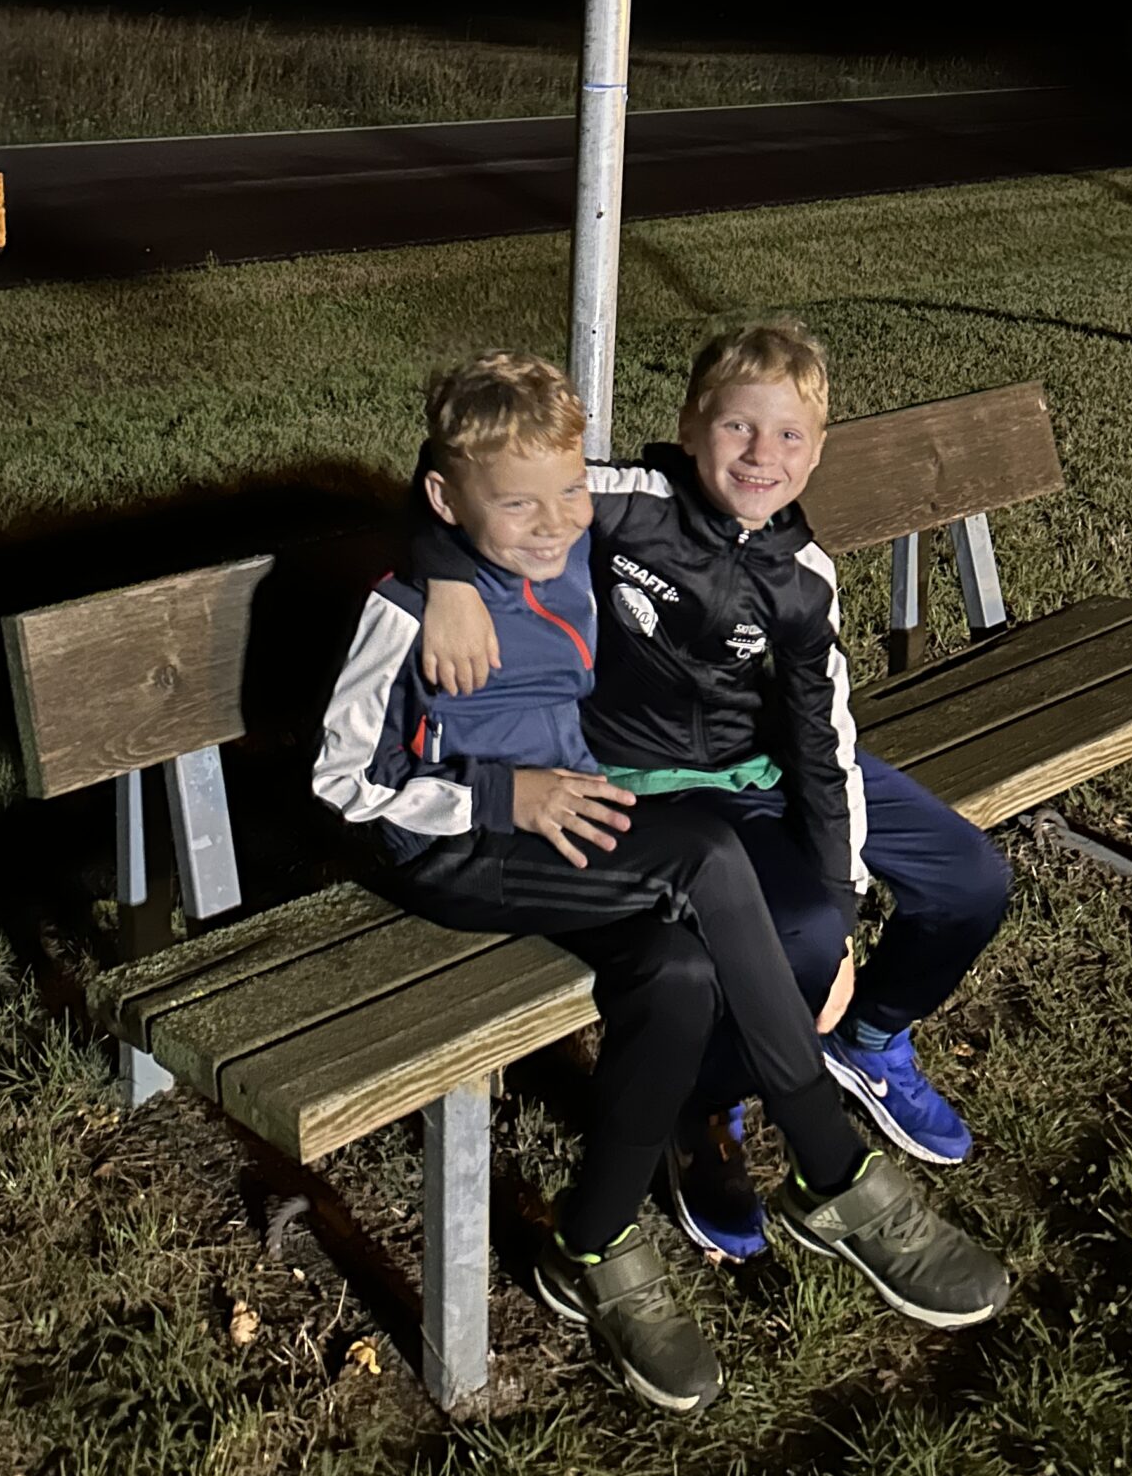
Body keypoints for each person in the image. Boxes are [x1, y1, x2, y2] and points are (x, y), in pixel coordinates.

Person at [315, 350, 1008, 1415]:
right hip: (454, 845)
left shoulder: (569, 556)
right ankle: (831, 1168)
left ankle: (589, 1248)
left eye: (568, 497)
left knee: (678, 975)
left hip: (568, 822)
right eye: (521, 505)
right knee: (705, 856)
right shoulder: (412, 608)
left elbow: (517, 500)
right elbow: (345, 782)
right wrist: (498, 781)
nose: (554, 523)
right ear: (452, 506)